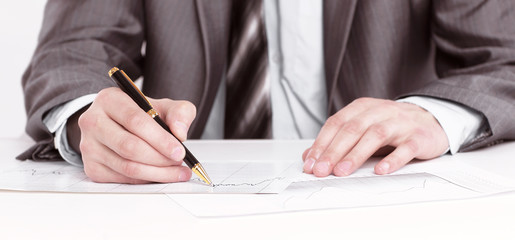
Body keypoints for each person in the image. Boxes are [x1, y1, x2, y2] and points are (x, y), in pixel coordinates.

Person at [20, 0, 515, 184]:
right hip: (176, 203)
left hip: (368, 199)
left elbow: (504, 57)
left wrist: (433, 115)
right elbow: (73, 49)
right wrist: (91, 118)